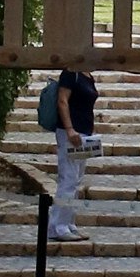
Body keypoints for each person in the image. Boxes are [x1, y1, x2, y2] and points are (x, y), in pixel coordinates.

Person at [41, 64, 98, 244]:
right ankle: (58, 226)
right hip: (71, 133)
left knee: (76, 179)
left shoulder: (88, 75)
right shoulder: (70, 74)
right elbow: (62, 101)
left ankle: (68, 222)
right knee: (68, 178)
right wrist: (69, 129)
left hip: (84, 134)